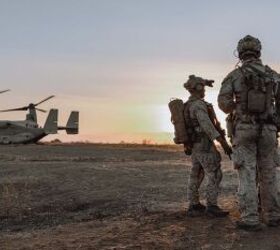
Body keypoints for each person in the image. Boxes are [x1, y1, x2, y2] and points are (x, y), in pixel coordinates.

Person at [218, 35, 280, 231]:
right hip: (269, 130)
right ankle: (273, 216)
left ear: (240, 52)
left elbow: (224, 104)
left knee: (247, 173)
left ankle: (250, 218)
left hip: (244, 129)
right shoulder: (273, 75)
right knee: (269, 173)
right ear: (258, 51)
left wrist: (239, 106)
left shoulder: (234, 75)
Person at [183, 75, 231, 217]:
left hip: (195, 145)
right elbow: (208, 127)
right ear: (197, 88)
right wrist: (223, 144)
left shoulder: (188, 104)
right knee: (215, 173)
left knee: (196, 173)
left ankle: (193, 204)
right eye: (202, 86)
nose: (204, 89)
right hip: (204, 145)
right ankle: (212, 206)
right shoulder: (198, 105)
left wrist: (205, 81)